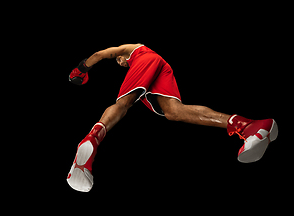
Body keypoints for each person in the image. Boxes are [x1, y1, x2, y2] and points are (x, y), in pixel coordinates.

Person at [66, 44, 278, 192]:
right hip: (162, 66)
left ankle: (92, 139)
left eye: (120, 61)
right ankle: (250, 126)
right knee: (175, 112)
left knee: (123, 103)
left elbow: (101, 53)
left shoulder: (130, 51)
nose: (120, 63)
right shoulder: (143, 59)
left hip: (146, 60)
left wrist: (82, 69)